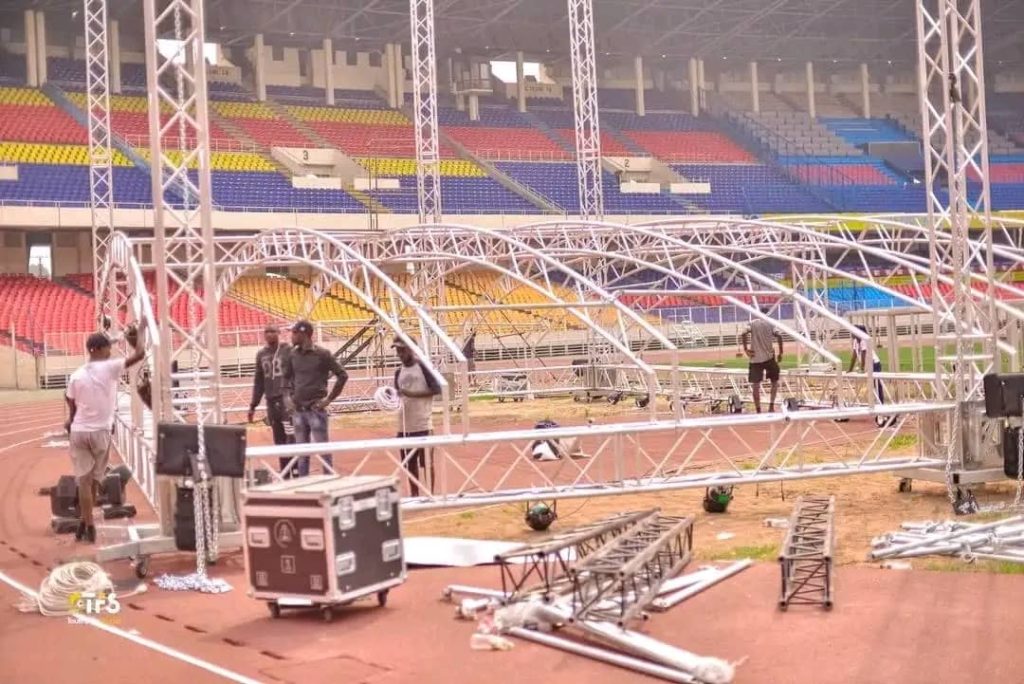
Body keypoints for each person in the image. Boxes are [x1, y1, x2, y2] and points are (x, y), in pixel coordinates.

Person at [64, 326, 145, 543]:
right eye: (107, 348)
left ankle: (85, 522)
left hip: (79, 432)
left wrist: (71, 422)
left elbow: (69, 401)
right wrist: (141, 334)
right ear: (97, 349)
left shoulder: (76, 375)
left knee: (84, 481)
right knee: (93, 481)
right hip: (100, 432)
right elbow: (140, 355)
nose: (110, 351)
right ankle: (89, 524)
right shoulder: (110, 368)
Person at [284, 320, 347, 477]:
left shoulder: (322, 354)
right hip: (298, 411)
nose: (291, 336)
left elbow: (342, 376)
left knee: (323, 451)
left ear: (304, 334)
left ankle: (328, 481)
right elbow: (285, 380)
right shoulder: (292, 355)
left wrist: (328, 400)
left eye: (294, 333)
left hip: (315, 410)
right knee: (302, 453)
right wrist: (287, 398)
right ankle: (304, 484)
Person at [393, 337, 441, 496]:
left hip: (423, 424)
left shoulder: (423, 367)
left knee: (426, 462)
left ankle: (430, 495)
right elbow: (398, 396)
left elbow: (437, 389)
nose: (399, 354)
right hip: (404, 425)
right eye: (397, 350)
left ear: (411, 349)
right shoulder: (398, 372)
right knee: (409, 464)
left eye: (402, 350)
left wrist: (411, 394)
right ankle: (415, 495)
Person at [248, 324, 295, 476]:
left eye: (273, 331)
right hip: (271, 401)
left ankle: (295, 469)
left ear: (279, 333)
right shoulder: (261, 354)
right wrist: (253, 405)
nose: (269, 334)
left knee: (291, 437)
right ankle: (285, 471)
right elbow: (259, 381)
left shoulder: (287, 350)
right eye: (266, 332)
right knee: (279, 438)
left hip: (286, 401)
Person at [741, 308, 783, 413]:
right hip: (769, 357)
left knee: (756, 385)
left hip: (755, 358)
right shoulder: (771, 323)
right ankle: (771, 406)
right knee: (774, 381)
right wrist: (781, 352)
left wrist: (746, 349)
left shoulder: (752, 323)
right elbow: (779, 335)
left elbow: (743, 333)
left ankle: (758, 409)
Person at [849, 325, 885, 405]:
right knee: (871, 384)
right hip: (869, 364)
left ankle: (881, 402)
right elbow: (854, 356)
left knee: (877, 384)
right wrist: (850, 369)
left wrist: (862, 369)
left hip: (874, 364)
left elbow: (863, 355)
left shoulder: (864, 340)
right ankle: (875, 402)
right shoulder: (856, 341)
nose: (851, 333)